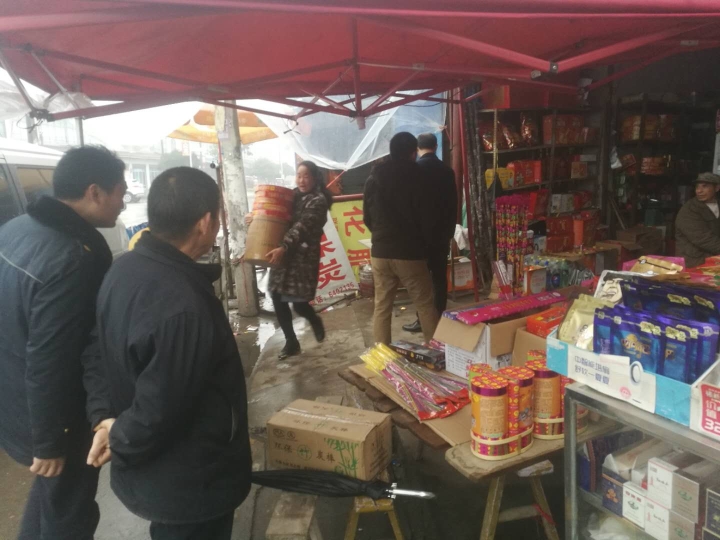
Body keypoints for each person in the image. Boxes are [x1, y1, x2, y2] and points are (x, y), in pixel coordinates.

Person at [85, 167, 251, 540]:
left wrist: (104, 418)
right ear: (205, 223)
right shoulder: (183, 306)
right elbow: (160, 407)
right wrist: (117, 435)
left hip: (156, 477)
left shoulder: (123, 269)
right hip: (192, 485)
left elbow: (96, 349)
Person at [0, 145, 126, 540]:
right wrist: (51, 442)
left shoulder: (16, 228)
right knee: (70, 513)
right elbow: (51, 358)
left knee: (50, 496)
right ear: (95, 192)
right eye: (120, 192)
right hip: (59, 416)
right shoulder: (74, 257)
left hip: (16, 402)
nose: (123, 203)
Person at [363, 132, 440, 344]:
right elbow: (428, 217)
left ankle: (382, 354)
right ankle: (434, 351)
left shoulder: (373, 178)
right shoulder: (419, 177)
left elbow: (367, 218)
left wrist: (381, 236)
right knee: (425, 304)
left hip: (380, 252)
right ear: (413, 153)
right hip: (410, 252)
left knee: (382, 306)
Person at [254, 161, 333, 360]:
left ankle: (314, 320)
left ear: (314, 178)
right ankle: (291, 342)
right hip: (282, 254)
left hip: (302, 258)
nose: (301, 180)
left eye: (306, 176)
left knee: (299, 303)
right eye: (299, 175)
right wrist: (255, 218)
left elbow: (302, 227)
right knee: (277, 296)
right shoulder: (292, 196)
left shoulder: (318, 201)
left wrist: (285, 246)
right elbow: (276, 215)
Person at [403, 132, 457, 334]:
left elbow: (410, 206)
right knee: (439, 278)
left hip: (419, 237)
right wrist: (449, 232)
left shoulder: (414, 170)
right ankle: (440, 317)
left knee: (422, 280)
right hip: (441, 235)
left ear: (418, 149)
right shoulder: (447, 171)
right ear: (435, 147)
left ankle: (423, 320)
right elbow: (452, 204)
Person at [676, 172, 720, 268]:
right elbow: (703, 238)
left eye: (705, 186)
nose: (699, 191)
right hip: (694, 262)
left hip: (714, 260)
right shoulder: (689, 209)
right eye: (697, 187)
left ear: (717, 188)